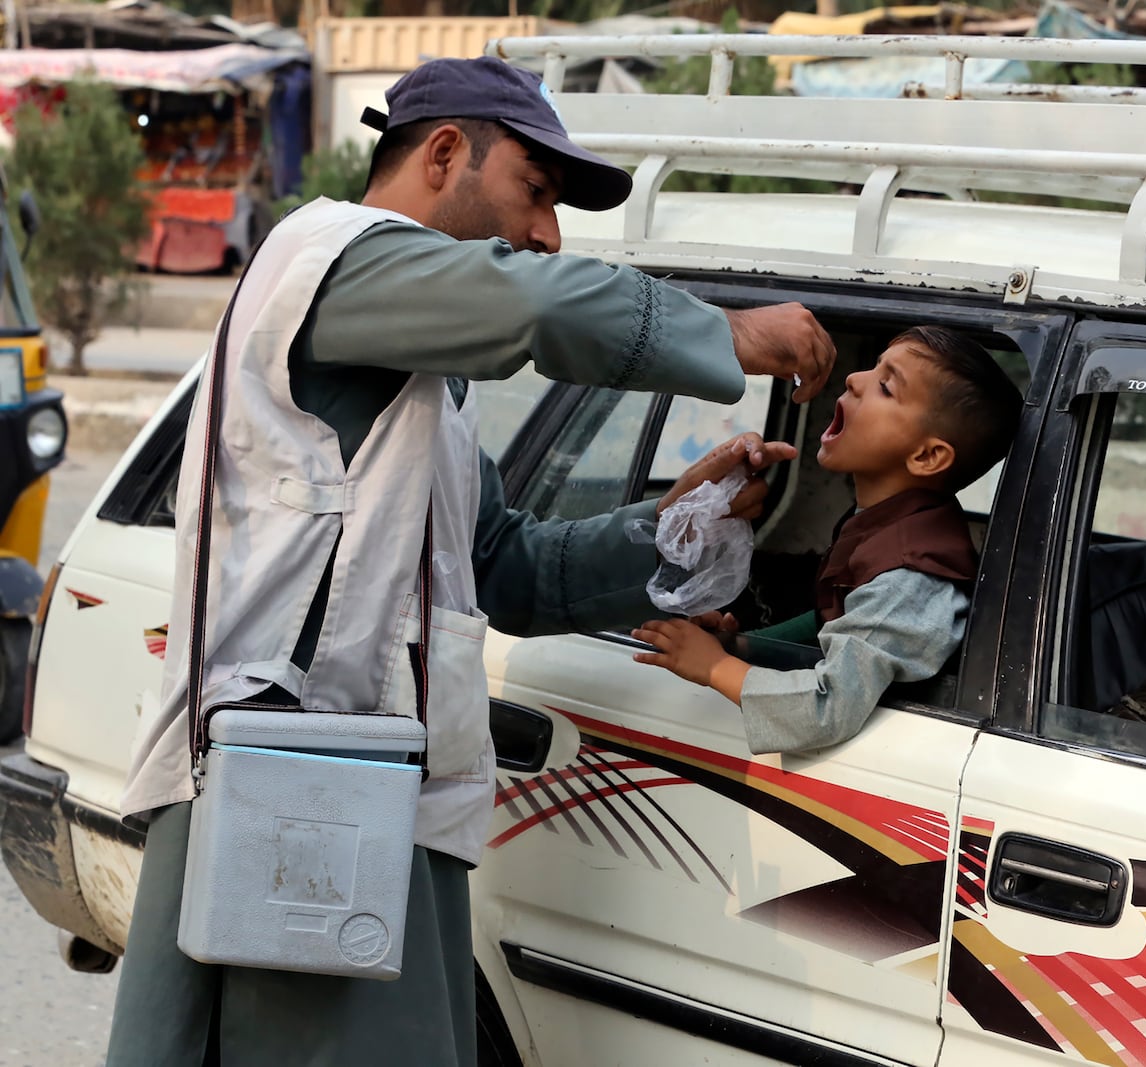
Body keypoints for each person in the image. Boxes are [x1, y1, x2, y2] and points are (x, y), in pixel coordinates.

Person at [107, 56, 835, 1066]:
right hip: (294, 788)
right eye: (534, 193)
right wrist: (727, 334)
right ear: (445, 152)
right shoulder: (333, 257)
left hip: (373, 795)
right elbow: (531, 304)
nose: (544, 232)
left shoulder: (422, 378)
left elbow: (505, 567)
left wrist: (670, 522)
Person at [631, 325, 1022, 753]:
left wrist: (716, 667)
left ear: (927, 456)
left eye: (886, 387)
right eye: (873, 368)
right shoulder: (884, 524)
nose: (855, 379)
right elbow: (829, 622)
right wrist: (738, 644)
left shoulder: (908, 579)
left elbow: (828, 706)